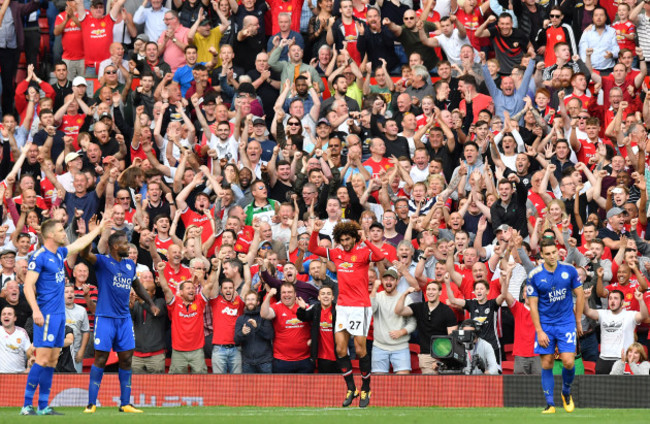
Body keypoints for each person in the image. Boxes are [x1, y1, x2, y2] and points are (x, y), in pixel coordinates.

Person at [21, 218, 107, 416]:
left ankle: (43, 406)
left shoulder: (59, 252)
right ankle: (26, 405)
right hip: (48, 315)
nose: (64, 234)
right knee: (42, 359)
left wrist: (98, 230)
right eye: (61, 230)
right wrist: (36, 310)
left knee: (52, 360)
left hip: (60, 315)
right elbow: (27, 286)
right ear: (51, 235)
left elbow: (78, 244)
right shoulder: (39, 256)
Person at [309, 219, 386, 407]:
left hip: (360, 306)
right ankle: (352, 387)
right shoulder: (336, 253)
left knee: (360, 349)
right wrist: (315, 231)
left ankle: (366, 387)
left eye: (348, 239)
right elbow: (313, 249)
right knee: (340, 350)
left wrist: (365, 239)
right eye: (342, 239)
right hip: (342, 306)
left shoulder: (362, 252)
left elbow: (379, 256)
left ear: (354, 238)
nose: (345, 242)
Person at [81, 230, 160, 414]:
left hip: (124, 320)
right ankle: (91, 403)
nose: (129, 247)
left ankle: (125, 403)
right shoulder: (102, 261)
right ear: (115, 246)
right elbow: (85, 254)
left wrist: (150, 303)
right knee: (100, 358)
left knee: (126, 359)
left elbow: (137, 286)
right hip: (106, 318)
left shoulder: (129, 265)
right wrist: (92, 234)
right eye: (125, 244)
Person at [527, 238, 585, 414]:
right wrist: (539, 330)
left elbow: (580, 295)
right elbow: (533, 306)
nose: (552, 256)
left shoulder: (569, 270)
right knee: (547, 363)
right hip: (545, 324)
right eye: (548, 254)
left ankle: (566, 392)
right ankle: (550, 404)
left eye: (554, 252)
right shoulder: (535, 276)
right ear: (542, 255)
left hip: (566, 322)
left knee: (568, 362)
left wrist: (577, 321)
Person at [394, 281, 458, 374]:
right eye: (428, 289)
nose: (430, 292)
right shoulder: (419, 307)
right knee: (430, 386)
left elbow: (452, 339)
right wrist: (405, 294)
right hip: (426, 356)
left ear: (440, 292)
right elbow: (399, 311)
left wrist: (441, 360)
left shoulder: (447, 311)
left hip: (443, 356)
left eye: (433, 289)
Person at [583, 284, 648, 375]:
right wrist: (585, 298)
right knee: (601, 388)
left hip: (622, 359)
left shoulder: (630, 315)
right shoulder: (603, 314)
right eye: (610, 298)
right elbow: (587, 311)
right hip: (603, 359)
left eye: (616, 298)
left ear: (622, 302)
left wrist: (640, 300)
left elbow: (644, 316)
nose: (612, 301)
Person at [0, 306, 32, 373]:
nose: (6, 316)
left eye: (9, 314)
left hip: (19, 375)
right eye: (4, 314)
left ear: (15, 318)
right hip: (1, 374)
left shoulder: (22, 332)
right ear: (1, 318)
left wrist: (28, 369)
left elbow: (30, 354)